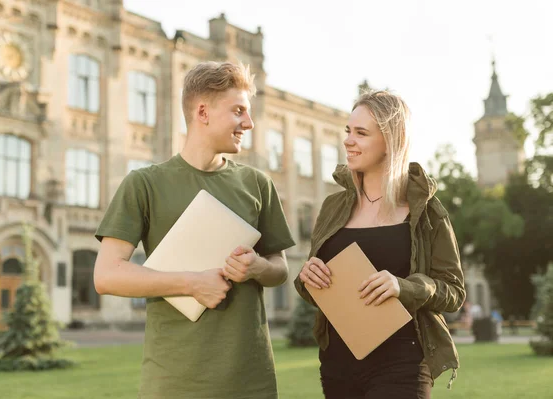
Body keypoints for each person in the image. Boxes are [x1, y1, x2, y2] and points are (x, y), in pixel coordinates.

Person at [94, 61, 295, 399]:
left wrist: (258, 267)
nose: (249, 122)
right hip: (174, 382)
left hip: (251, 380)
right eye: (238, 111)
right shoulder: (144, 184)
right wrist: (192, 283)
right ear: (202, 111)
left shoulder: (258, 184)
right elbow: (106, 275)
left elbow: (280, 269)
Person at [294, 90, 466, 398]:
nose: (348, 140)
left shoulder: (427, 212)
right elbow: (317, 287)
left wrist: (404, 287)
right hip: (336, 364)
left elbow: (453, 292)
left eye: (361, 133)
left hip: (402, 362)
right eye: (348, 131)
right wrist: (307, 278)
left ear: (391, 140)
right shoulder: (332, 207)